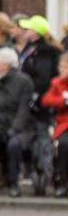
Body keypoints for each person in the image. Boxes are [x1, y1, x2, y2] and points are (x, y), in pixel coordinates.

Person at [0, 47, 35, 197]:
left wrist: (14, 129)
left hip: (18, 127)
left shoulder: (24, 82)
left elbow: (24, 110)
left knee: (14, 144)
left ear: (5, 65)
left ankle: (13, 182)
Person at [17, 15, 61, 190]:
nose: (25, 30)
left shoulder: (45, 52)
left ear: (36, 32)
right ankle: (30, 168)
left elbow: (42, 79)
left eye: (28, 28)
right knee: (28, 137)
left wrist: (36, 97)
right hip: (27, 101)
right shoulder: (29, 48)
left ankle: (44, 171)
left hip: (40, 104)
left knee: (42, 137)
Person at [41, 51, 68, 197]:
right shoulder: (57, 83)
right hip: (64, 124)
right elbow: (46, 100)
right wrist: (63, 102)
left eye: (65, 68)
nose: (61, 70)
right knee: (62, 146)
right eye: (61, 67)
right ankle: (61, 181)